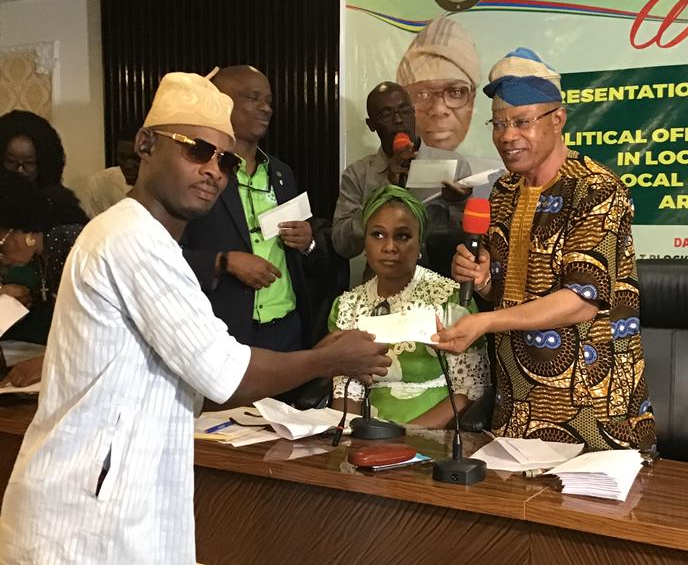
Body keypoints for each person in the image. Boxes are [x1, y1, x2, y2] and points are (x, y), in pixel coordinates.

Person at [0, 71, 389, 564]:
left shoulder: (147, 238)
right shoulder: (132, 240)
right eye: (196, 150)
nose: (215, 170)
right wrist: (328, 359)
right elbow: (226, 374)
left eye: (225, 159)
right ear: (145, 144)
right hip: (86, 524)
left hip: (115, 507)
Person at [435, 48, 656, 451]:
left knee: (588, 514)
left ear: (558, 119)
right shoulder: (501, 192)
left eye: (521, 122)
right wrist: (482, 281)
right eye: (499, 124)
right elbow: (505, 293)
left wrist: (483, 324)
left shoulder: (596, 189)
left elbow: (582, 300)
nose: (507, 135)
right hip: (515, 402)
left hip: (589, 405)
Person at [181, 66, 333, 373]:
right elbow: (162, 257)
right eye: (253, 98)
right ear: (222, 102)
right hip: (226, 332)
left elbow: (308, 256)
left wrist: (308, 242)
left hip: (288, 330)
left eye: (269, 100)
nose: (266, 108)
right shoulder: (198, 173)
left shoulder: (281, 173)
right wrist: (223, 262)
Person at [331, 185, 490, 426]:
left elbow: (468, 392)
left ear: (420, 243)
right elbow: (346, 393)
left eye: (403, 236)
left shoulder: (449, 299)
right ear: (365, 240)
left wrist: (403, 437)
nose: (389, 247)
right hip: (366, 436)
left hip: (433, 435)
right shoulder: (347, 306)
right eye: (378, 234)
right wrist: (350, 439)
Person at [332, 81, 472, 260]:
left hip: (439, 276)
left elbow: (470, 240)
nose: (398, 120)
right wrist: (384, 189)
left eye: (405, 111)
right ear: (371, 124)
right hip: (384, 278)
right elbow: (342, 245)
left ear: (413, 113)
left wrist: (458, 205)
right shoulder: (357, 174)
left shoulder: (453, 164)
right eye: (386, 114)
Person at [0, 174, 86, 388]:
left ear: (24, 232)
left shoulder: (73, 245)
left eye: (0, 244)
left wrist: (47, 362)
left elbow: (95, 329)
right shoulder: (43, 254)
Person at [396, 15, 479, 153]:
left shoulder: (497, 172)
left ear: (472, 100)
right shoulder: (380, 171)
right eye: (422, 94)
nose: (439, 110)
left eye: (455, 92)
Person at [81, 122, 141, 217]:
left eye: (136, 159)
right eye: (123, 157)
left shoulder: (163, 187)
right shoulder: (101, 184)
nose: (129, 165)